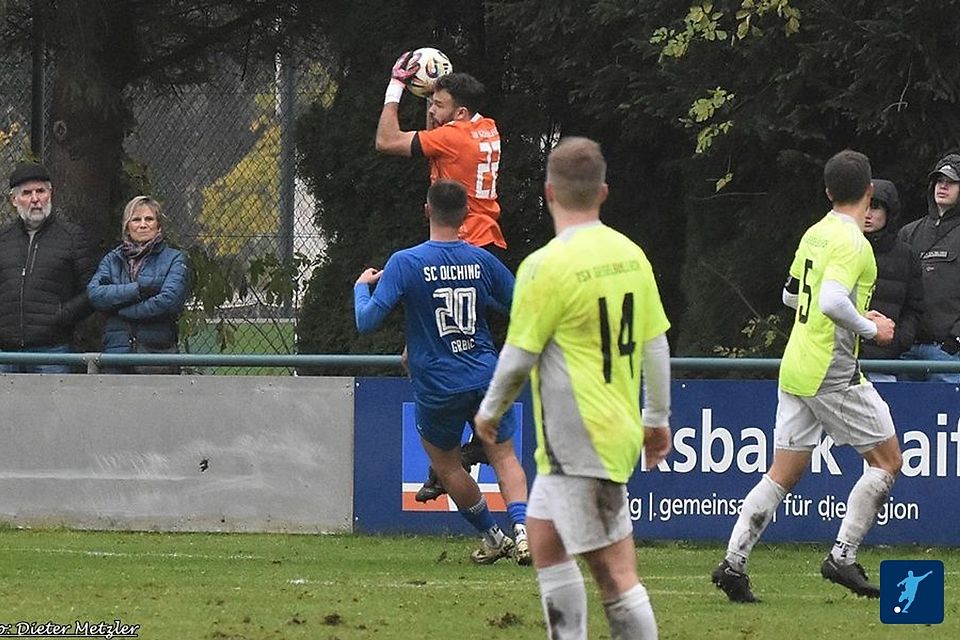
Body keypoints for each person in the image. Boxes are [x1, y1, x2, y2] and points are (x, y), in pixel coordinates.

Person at [474, 137, 672, 640]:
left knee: (616, 573)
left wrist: (490, 411)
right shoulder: (631, 255)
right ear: (603, 192)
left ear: (548, 192)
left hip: (579, 439)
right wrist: (656, 418)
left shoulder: (545, 266)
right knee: (545, 538)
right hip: (609, 432)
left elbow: (518, 355)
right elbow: (656, 342)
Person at [712, 150, 903, 603]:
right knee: (888, 462)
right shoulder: (854, 242)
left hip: (796, 363)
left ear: (828, 191)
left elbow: (790, 295)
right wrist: (871, 328)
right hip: (830, 370)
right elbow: (831, 301)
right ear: (869, 191)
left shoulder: (815, 233)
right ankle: (842, 556)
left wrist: (852, 313)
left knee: (782, 473)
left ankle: (733, 564)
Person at [353, 179, 530, 565]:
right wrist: (486, 300)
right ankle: (523, 533)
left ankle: (493, 537)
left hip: (437, 383)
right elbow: (522, 304)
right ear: (466, 214)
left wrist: (361, 287)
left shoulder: (405, 262)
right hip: (485, 375)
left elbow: (367, 322)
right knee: (504, 457)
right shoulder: (481, 260)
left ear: (427, 210)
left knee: (447, 466)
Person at [377, 59, 507, 500]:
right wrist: (437, 93)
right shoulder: (486, 127)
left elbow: (387, 141)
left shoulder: (452, 137)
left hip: (459, 253)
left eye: (439, 104)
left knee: (423, 355)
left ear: (460, 112)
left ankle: (453, 449)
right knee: (461, 351)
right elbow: (445, 130)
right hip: (485, 250)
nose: (431, 110)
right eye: (429, 102)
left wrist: (398, 87)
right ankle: (466, 446)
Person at [0, 162, 97, 373]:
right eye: (27, 193)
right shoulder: (3, 239)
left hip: (53, 351)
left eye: (40, 191)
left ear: (50, 193)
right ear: (13, 199)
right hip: (5, 353)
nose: (35, 199)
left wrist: (61, 316)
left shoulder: (72, 237)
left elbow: (92, 290)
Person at [87, 196, 190, 374]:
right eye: (136, 220)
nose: (143, 225)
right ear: (127, 226)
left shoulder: (174, 259)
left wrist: (123, 311)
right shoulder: (112, 260)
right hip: (116, 356)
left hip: (157, 357)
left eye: (149, 219)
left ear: (158, 225)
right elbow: (96, 294)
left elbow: (169, 301)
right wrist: (138, 290)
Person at [898, 153, 960, 383]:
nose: (943, 186)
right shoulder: (908, 233)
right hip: (907, 351)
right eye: (939, 180)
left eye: (951, 182)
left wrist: (956, 340)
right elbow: (895, 290)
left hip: (948, 353)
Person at [860, 179, 923, 382]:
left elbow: (914, 308)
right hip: (841, 358)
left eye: (875, 207)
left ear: (889, 212)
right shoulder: (841, 246)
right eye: (864, 206)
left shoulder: (906, 255)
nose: (867, 214)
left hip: (884, 361)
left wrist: (899, 340)